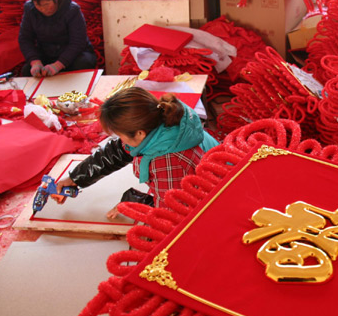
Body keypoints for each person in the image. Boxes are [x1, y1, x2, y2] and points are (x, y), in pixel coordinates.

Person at [56, 87, 219, 218]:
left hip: (213, 208)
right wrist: (75, 178)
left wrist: (135, 203)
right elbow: (119, 151)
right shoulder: (161, 121)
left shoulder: (168, 161)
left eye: (120, 135)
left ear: (139, 133)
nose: (120, 140)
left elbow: (172, 216)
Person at [19, 0, 97, 77]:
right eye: (38, 6)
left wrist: (58, 65)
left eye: (46, 5)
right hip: (47, 54)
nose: (43, 9)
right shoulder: (30, 9)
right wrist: (35, 61)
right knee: (27, 70)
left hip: (73, 55)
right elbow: (25, 38)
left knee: (83, 64)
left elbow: (78, 42)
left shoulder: (72, 10)